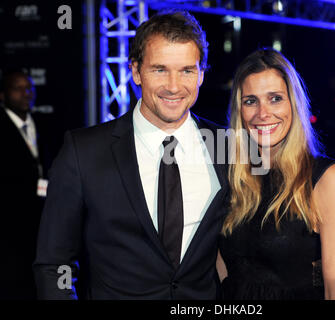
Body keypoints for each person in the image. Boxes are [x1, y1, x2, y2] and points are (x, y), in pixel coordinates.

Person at [33, 11, 229, 299]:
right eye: (159, 69)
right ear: (135, 71)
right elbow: (54, 263)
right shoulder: (83, 151)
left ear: (201, 74)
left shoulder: (227, 146)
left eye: (187, 70)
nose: (174, 86)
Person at [217, 48, 335, 300]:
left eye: (275, 98)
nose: (263, 113)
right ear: (240, 111)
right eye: (251, 101)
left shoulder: (327, 179)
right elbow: (224, 271)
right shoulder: (231, 178)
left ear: (294, 103)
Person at [0, 71, 45, 299]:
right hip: (9, 224)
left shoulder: (44, 123)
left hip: (41, 219)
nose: (26, 94)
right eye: (18, 89)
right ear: (3, 95)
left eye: (29, 88)